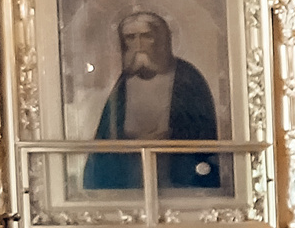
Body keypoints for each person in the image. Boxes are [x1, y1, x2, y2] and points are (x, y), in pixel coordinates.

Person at [86, 10, 221, 190]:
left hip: (175, 170)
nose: (138, 45)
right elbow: (107, 134)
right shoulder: (123, 83)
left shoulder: (187, 78)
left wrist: (168, 137)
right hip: (130, 169)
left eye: (146, 36)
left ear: (162, 40)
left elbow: (201, 130)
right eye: (130, 38)